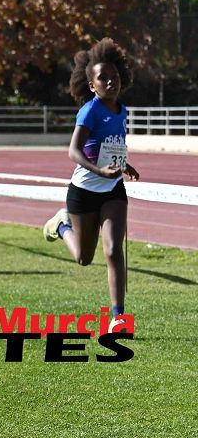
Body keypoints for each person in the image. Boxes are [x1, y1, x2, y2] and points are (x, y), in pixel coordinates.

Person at [43, 38, 139, 334]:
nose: (111, 81)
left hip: (113, 190)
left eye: (115, 76)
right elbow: (73, 151)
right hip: (84, 191)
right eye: (103, 78)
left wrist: (124, 165)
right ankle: (61, 225)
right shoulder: (89, 111)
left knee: (113, 249)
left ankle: (118, 317)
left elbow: (113, 145)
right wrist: (99, 169)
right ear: (92, 85)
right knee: (84, 258)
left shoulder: (121, 109)